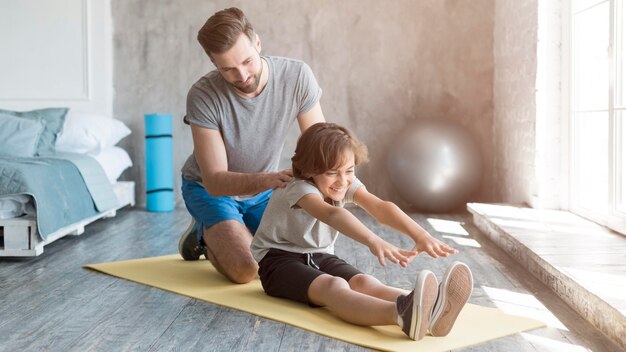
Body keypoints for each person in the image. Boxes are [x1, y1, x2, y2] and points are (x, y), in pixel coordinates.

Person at [250, 122, 474, 341]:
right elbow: (332, 215)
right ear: (309, 170)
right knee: (334, 286)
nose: (342, 181)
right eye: (332, 173)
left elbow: (380, 207)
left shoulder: (344, 182)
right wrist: (373, 240)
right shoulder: (298, 187)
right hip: (277, 261)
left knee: (364, 282)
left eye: (349, 170)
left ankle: (433, 310)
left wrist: (421, 235)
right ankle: (401, 315)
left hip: (319, 255)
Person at [178, 7, 325, 284]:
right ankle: (204, 232)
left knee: (300, 258)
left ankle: (229, 228)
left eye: (247, 61)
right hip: (209, 190)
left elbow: (320, 146)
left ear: (257, 43)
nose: (242, 75)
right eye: (228, 69)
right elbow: (215, 181)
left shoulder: (296, 76)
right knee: (247, 270)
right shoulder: (202, 95)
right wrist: (273, 179)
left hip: (263, 192)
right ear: (213, 63)